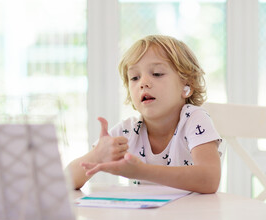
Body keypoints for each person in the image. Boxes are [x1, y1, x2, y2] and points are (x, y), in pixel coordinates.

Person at [65, 35, 222, 194]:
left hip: (194, 216)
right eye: (134, 77)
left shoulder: (194, 119)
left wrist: (142, 171)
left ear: (187, 84)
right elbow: (65, 181)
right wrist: (97, 155)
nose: (143, 83)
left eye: (157, 73)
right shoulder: (128, 131)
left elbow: (210, 179)